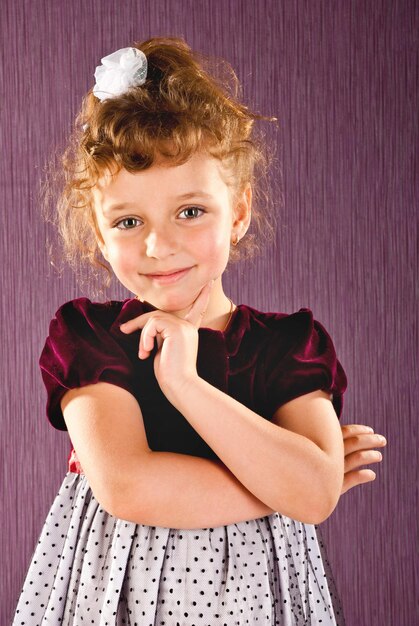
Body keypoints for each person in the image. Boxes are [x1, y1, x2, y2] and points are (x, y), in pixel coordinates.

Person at [13, 38, 387, 625]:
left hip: (260, 601)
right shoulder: (87, 336)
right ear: (97, 230)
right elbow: (130, 489)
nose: (159, 246)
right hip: (119, 596)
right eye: (129, 220)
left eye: (190, 212)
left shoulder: (289, 344)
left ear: (237, 213)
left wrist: (186, 383)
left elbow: (313, 493)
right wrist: (292, 486)